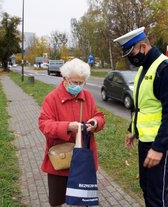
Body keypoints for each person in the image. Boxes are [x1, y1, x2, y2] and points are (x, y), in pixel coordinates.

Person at [114, 27, 168, 207]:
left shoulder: (166, 69)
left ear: (143, 47)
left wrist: (159, 148)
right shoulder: (145, 68)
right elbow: (144, 107)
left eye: (132, 53)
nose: (131, 58)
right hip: (146, 140)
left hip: (161, 143)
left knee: (156, 196)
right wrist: (133, 130)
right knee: (146, 187)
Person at [38, 58, 105, 207]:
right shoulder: (52, 98)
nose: (78, 86)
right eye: (75, 82)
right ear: (65, 79)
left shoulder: (87, 96)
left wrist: (95, 123)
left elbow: (99, 116)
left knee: (83, 201)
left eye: (82, 83)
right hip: (61, 160)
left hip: (83, 160)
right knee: (57, 200)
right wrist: (68, 126)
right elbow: (44, 125)